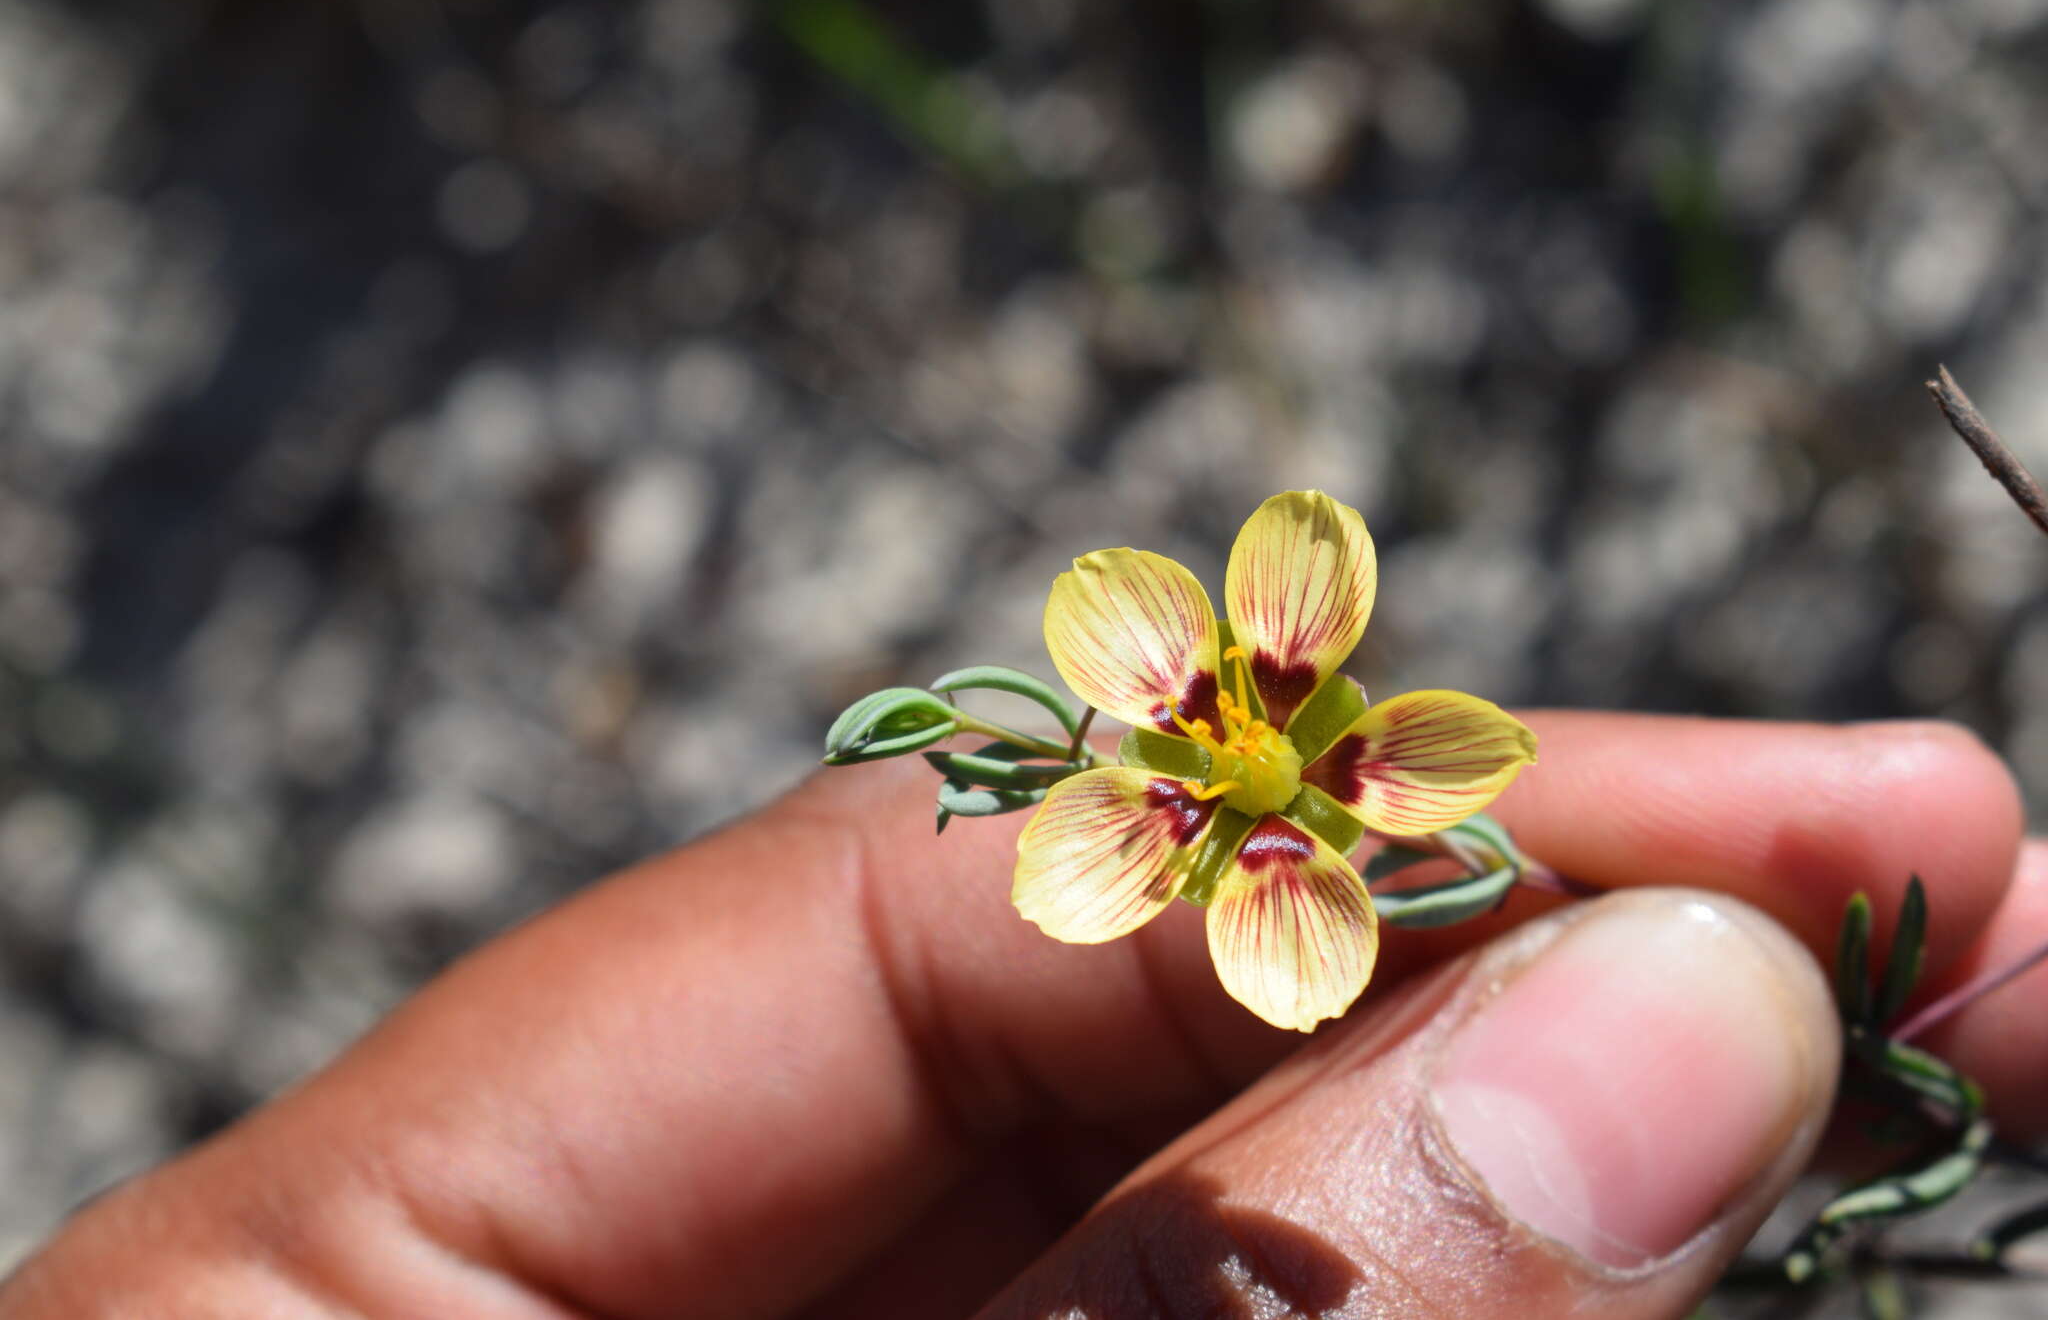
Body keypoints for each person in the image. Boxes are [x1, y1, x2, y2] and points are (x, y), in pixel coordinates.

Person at [1, 713, 2042, 1318]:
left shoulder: (1358, 763)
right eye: (1229, 732)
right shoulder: (1227, 840)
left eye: (1277, 729)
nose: (1260, 755)